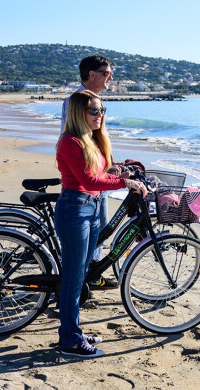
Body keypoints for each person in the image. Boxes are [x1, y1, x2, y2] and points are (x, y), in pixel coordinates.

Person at [55, 90, 146, 358]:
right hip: (75, 209)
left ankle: (73, 331)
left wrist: (116, 172)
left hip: (91, 208)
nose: (99, 115)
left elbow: (97, 174)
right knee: (73, 280)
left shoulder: (91, 140)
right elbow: (88, 182)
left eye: (102, 110)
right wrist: (125, 183)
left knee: (81, 275)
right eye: (94, 111)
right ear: (78, 113)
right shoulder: (70, 142)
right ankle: (70, 340)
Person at [60, 55, 118, 286]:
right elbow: (75, 140)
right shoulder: (78, 102)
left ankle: (88, 275)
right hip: (85, 180)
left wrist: (112, 165)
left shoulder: (94, 102)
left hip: (96, 173)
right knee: (93, 230)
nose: (110, 77)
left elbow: (98, 140)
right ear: (91, 75)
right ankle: (85, 277)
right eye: (106, 73)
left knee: (100, 227)